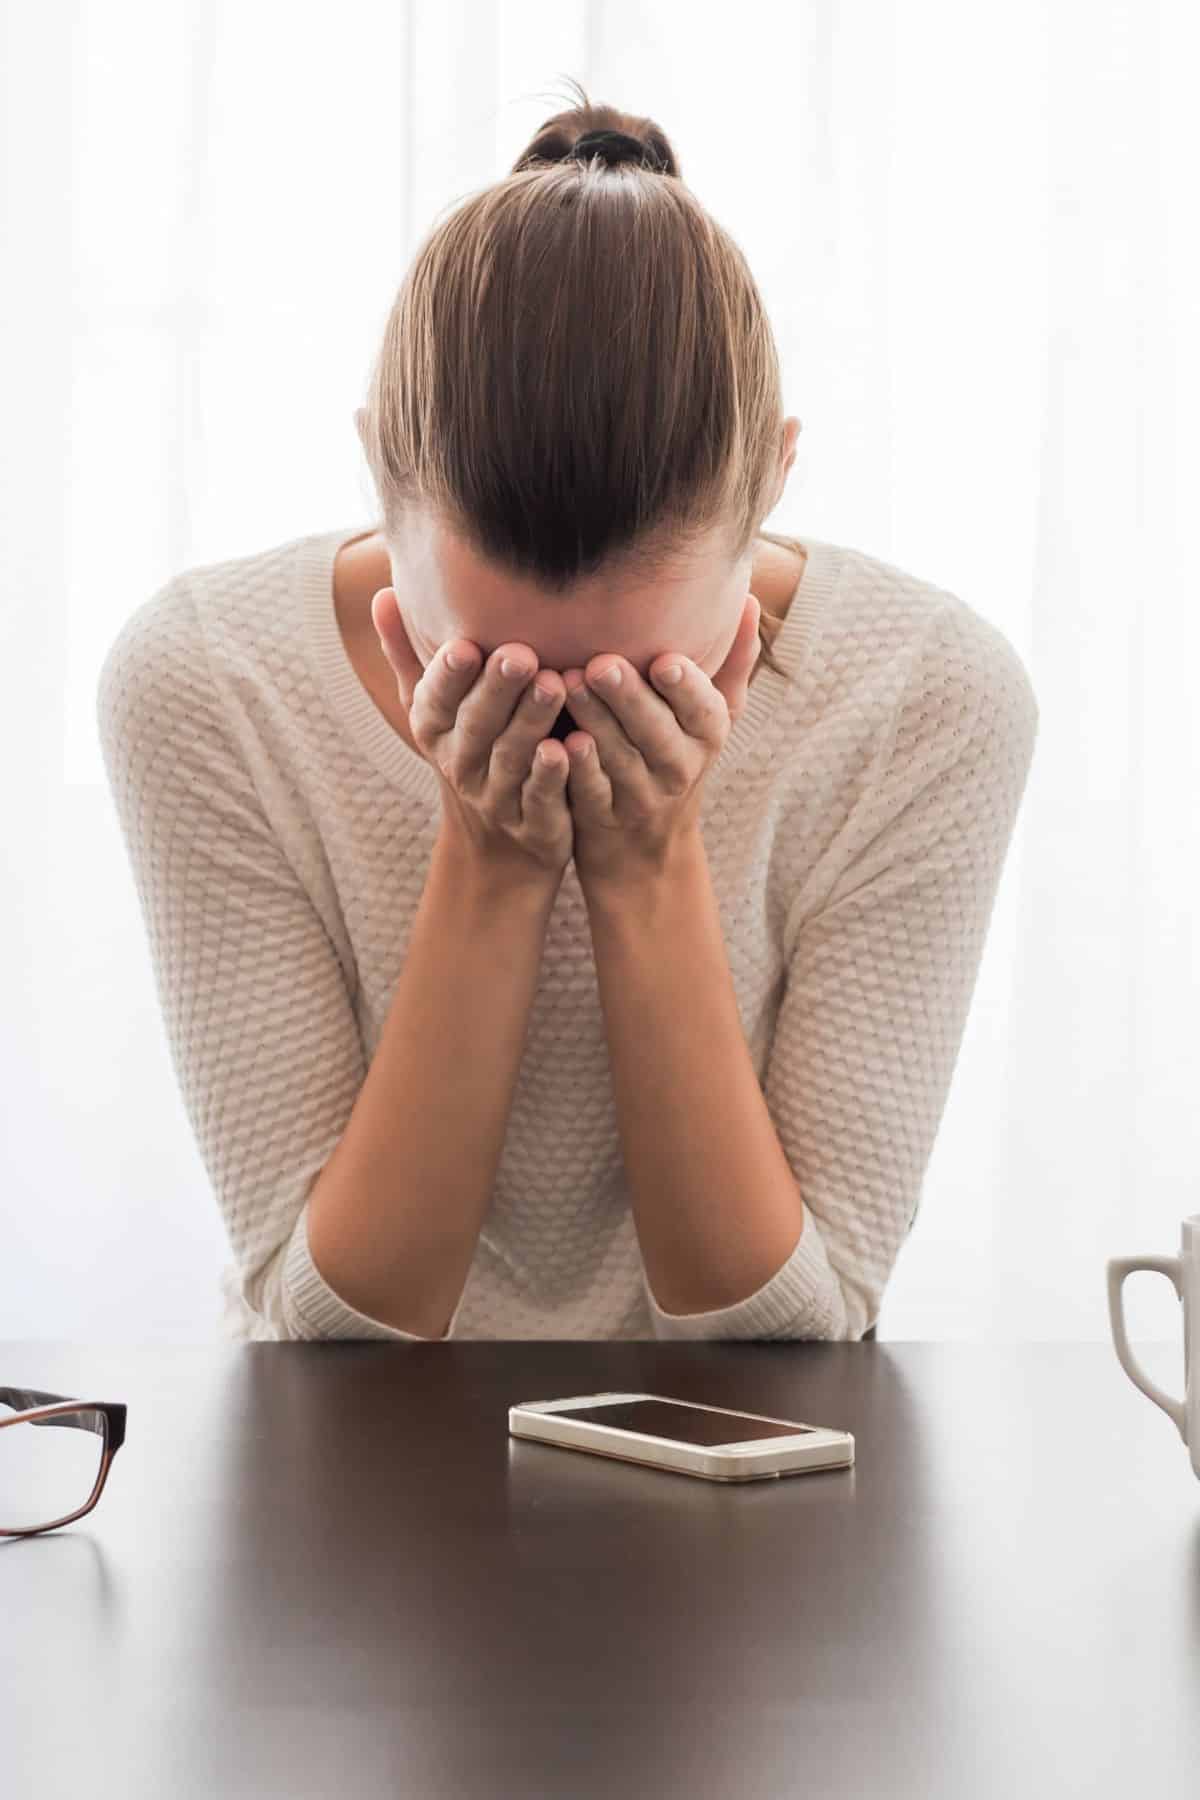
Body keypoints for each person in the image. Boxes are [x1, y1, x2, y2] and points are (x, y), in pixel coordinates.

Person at [96, 81, 1038, 1345]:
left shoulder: (928, 700)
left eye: (631, 677)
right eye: (490, 657)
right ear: (381, 469)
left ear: (771, 480)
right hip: (344, 1497)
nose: (556, 719)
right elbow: (333, 1331)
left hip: (752, 1507)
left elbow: (793, 1334)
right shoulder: (208, 682)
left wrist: (649, 867)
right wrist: (490, 861)